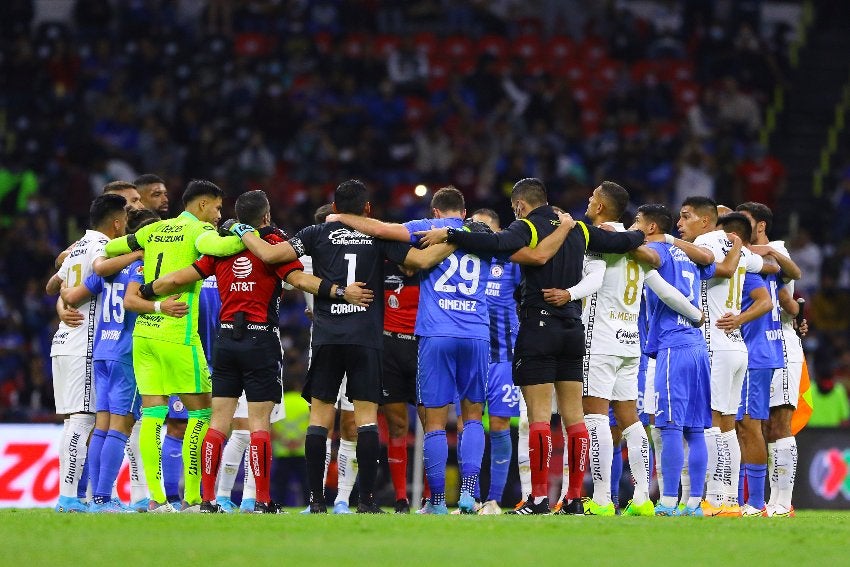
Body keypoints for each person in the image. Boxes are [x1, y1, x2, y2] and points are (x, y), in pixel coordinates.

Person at [327, 186, 571, 514]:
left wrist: (341, 216)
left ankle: (438, 502)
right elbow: (535, 255)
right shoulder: (482, 233)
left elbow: (383, 230)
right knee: (472, 419)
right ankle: (469, 495)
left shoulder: (426, 227)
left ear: (436, 212)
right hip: (476, 336)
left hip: (436, 335)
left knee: (436, 423)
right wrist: (566, 227)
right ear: (464, 209)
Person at [222, 179, 462, 513]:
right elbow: (420, 262)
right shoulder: (377, 237)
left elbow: (270, 254)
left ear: (334, 209)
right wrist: (459, 235)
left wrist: (240, 228)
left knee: (319, 418)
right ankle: (366, 501)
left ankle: (315, 501)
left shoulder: (315, 233)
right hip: (366, 338)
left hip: (327, 337)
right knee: (365, 420)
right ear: (367, 209)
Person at [416, 178, 646, 515]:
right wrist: (644, 234)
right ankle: (573, 499)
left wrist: (451, 234)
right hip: (573, 329)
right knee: (575, 419)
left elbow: (496, 242)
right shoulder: (578, 229)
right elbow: (623, 240)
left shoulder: (526, 226)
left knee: (538, 418)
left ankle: (538, 498)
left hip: (539, 326)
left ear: (521, 205)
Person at [142, 190, 372, 513]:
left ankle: (207, 501)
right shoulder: (275, 247)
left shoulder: (222, 246)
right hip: (260, 339)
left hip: (225, 341)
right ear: (265, 217)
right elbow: (299, 279)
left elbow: (182, 276)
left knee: (218, 422)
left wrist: (149, 288)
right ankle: (262, 500)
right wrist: (337, 291)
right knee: (259, 423)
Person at [105, 179, 243, 512]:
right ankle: (193, 498)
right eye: (217, 207)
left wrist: (138, 251)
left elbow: (111, 248)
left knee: (153, 413)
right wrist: (240, 230)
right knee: (202, 413)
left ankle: (157, 499)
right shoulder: (197, 232)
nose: (218, 214)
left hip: (144, 334)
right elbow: (226, 249)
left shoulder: (154, 231)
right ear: (201, 205)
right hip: (178, 335)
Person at [579, 183, 709, 517]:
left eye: (593, 198)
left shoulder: (603, 239)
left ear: (602, 207)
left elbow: (592, 283)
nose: (589, 202)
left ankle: (604, 499)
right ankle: (640, 497)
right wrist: (696, 315)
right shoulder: (639, 247)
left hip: (602, 340)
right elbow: (663, 288)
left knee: (595, 418)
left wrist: (566, 294)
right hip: (630, 343)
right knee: (631, 421)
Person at [60, 208, 175, 513]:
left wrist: (61, 290)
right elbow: (133, 301)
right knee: (120, 427)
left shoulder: (110, 267)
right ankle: (101, 498)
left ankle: (100, 498)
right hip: (127, 352)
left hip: (101, 351)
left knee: (102, 426)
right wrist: (162, 306)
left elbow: (72, 295)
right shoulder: (145, 266)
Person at [45, 194, 138, 512]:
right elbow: (99, 270)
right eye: (125, 219)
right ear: (116, 222)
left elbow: (52, 286)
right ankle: (69, 497)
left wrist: (62, 304)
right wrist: (138, 253)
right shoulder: (100, 249)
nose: (126, 224)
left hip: (71, 342)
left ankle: (90, 495)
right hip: (83, 344)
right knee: (82, 421)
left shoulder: (78, 247)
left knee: (86, 421)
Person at [674, 197, 761, 517]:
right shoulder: (734, 245)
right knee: (726, 424)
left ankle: (714, 497)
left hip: (715, 343)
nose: (680, 224)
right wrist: (740, 244)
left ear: (707, 222)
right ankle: (728, 499)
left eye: (685, 217)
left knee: (710, 421)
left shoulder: (707, 241)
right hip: (737, 345)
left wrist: (667, 240)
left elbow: (719, 267)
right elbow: (766, 265)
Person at [628, 204, 713, 517]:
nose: (633, 227)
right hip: (697, 347)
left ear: (650, 228)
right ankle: (694, 505)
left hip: (673, 347)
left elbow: (649, 256)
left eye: (637, 222)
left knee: (670, 427)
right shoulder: (688, 254)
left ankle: (667, 502)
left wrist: (629, 242)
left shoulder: (658, 249)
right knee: (695, 430)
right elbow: (710, 261)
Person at [714, 210, 784, 517]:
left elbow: (766, 301)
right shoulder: (745, 261)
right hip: (753, 353)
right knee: (741, 425)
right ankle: (745, 499)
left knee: (748, 426)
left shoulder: (743, 263)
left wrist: (738, 320)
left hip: (754, 354)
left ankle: (756, 502)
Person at [735, 202, 803, 517]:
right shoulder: (743, 254)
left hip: (781, 344)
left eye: (745, 221)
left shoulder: (776, 248)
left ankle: (782, 500)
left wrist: (798, 312)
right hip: (754, 345)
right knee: (755, 424)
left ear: (760, 225)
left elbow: (791, 286)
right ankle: (765, 501)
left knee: (780, 423)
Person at [469, 208, 522, 516]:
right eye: (475, 227)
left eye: (487, 228)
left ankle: (493, 500)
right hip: (471, 354)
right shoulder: (462, 260)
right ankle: (470, 498)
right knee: (468, 423)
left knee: (499, 423)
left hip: (503, 355)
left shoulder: (511, 261)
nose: (481, 233)